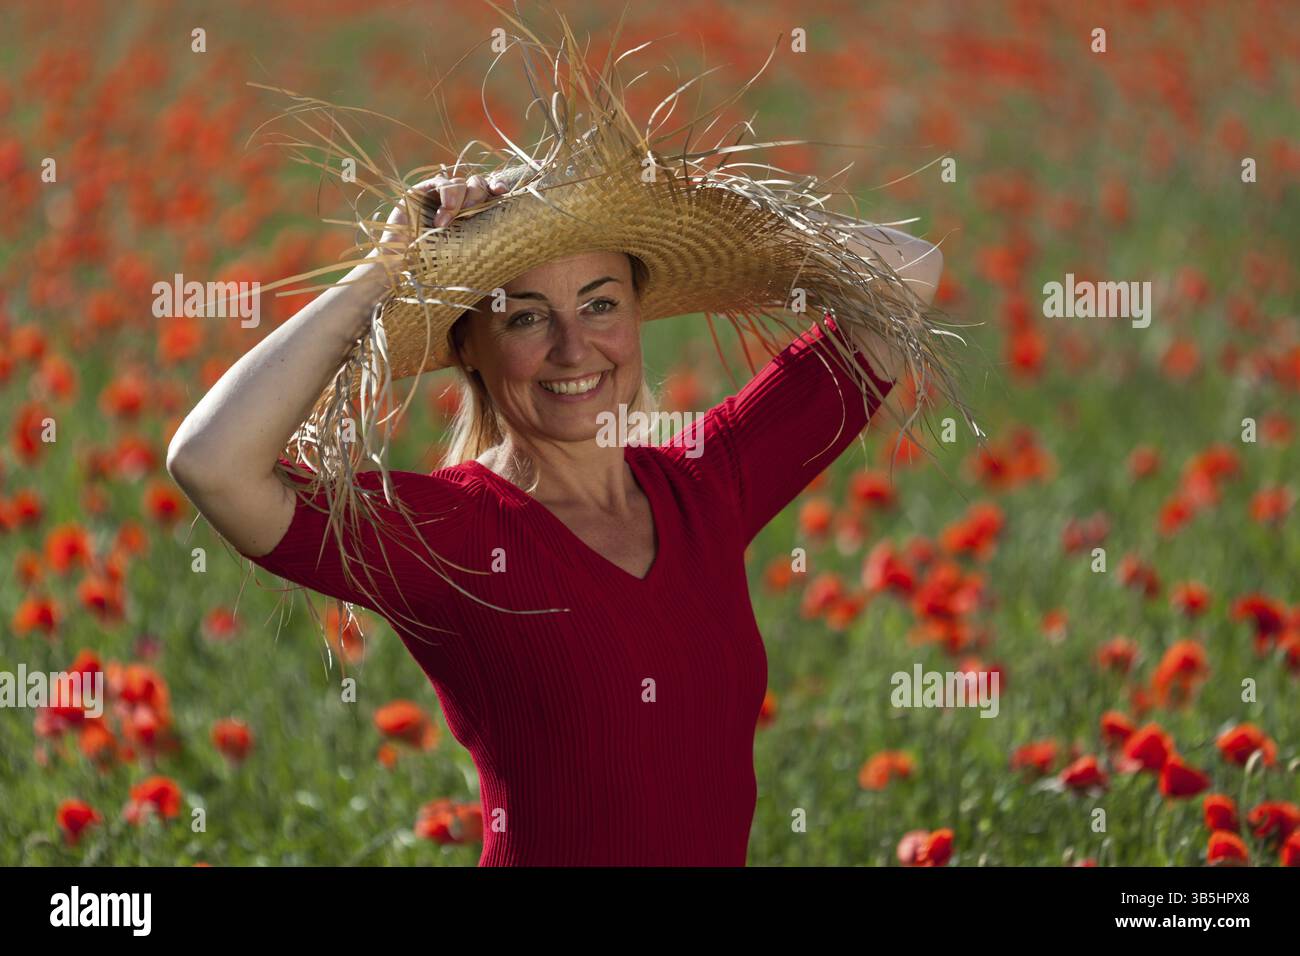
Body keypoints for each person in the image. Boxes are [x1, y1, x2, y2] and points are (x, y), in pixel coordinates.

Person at [166, 18, 957, 865]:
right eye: (526, 317)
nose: (574, 349)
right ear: (467, 347)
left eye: (602, 303)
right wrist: (389, 271)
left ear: (640, 314)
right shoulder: (457, 537)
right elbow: (211, 463)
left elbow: (906, 272)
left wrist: (673, 203)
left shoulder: (709, 483)